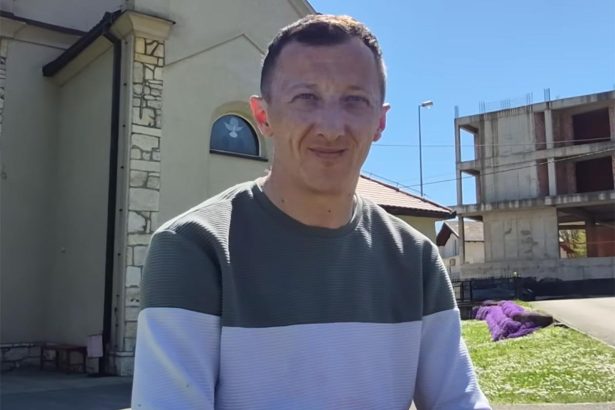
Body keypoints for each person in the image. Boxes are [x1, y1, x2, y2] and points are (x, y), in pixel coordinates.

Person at [131, 14, 491, 410]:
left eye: (355, 100)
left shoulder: (416, 259)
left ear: (380, 121)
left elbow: (459, 400)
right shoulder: (192, 249)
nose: (331, 127)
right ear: (263, 116)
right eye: (306, 98)